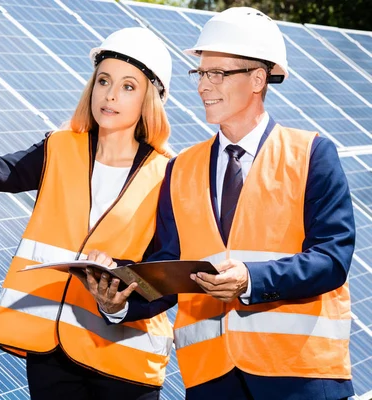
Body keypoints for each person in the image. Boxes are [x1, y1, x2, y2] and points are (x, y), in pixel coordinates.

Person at [88, 8, 355, 400]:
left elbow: (332, 260)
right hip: (212, 381)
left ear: (258, 79)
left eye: (218, 73)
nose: (202, 86)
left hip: (299, 376)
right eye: (201, 73)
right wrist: (117, 300)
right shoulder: (181, 168)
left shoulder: (311, 153)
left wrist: (251, 279)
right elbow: (167, 269)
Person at [0, 27, 175, 400]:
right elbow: (7, 172)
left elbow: (167, 269)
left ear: (151, 100)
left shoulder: (170, 175)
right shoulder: (60, 146)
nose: (110, 94)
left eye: (128, 86)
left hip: (125, 358)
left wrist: (121, 298)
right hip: (52, 349)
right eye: (103, 81)